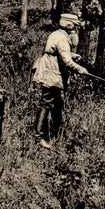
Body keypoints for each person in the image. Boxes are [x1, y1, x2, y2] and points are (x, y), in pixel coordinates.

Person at [33, 13, 88, 148]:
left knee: (57, 104)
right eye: (74, 27)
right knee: (46, 104)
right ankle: (38, 137)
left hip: (51, 72)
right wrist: (81, 70)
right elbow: (66, 62)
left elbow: (59, 52)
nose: (75, 29)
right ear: (68, 25)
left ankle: (55, 134)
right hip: (51, 74)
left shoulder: (57, 34)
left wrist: (73, 55)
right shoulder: (62, 39)